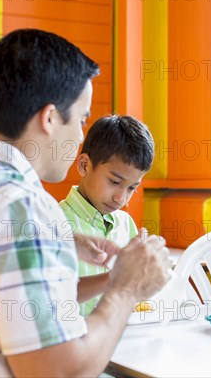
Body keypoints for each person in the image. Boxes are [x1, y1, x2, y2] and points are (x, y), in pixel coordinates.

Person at [0, 29, 172, 377]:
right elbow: (59, 371)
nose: (80, 134)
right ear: (49, 119)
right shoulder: (24, 208)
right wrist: (126, 289)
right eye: (80, 119)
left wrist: (59, 244)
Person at [60, 115, 155, 316]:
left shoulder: (125, 223)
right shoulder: (54, 221)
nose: (121, 198)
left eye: (132, 188)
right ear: (85, 165)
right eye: (114, 181)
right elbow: (52, 297)